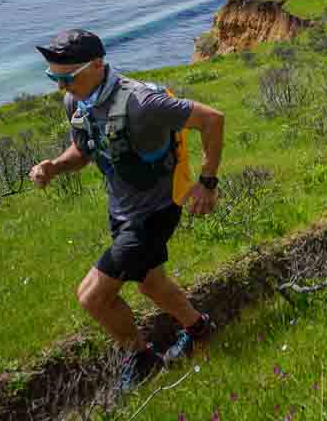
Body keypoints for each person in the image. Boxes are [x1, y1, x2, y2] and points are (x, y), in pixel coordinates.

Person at [28, 29, 225, 393]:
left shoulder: (142, 102)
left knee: (92, 296)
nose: (60, 86)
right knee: (150, 283)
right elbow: (84, 151)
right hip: (121, 211)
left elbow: (212, 119)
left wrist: (207, 183)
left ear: (98, 64)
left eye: (67, 77)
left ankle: (141, 356)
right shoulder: (77, 101)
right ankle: (199, 330)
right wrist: (54, 166)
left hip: (154, 214)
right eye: (53, 77)